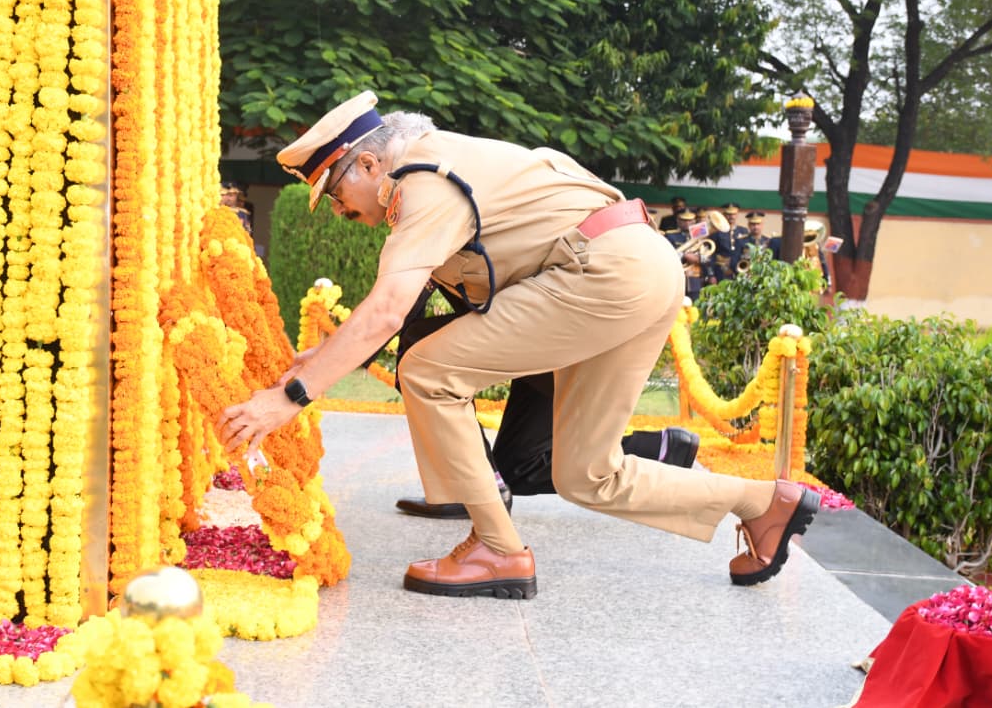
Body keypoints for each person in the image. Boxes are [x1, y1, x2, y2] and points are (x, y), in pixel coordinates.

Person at [217, 91, 818, 599]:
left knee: (427, 371)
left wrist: (287, 399)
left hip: (601, 275)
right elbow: (411, 301)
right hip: (638, 271)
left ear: (370, 165)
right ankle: (764, 503)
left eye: (338, 196)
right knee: (585, 474)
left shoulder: (422, 183)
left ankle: (498, 550)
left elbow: (385, 311)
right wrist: (324, 361)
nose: (343, 213)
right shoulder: (447, 162)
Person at [386, 284, 701, 519]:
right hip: (535, 325)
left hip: (553, 328)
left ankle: (473, 488)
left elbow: (396, 303)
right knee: (519, 467)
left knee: (418, 353)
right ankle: (661, 450)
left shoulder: (438, 206)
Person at [665, 209, 713, 301]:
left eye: (690, 220)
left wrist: (699, 259)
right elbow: (668, 256)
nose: (687, 223)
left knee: (695, 306)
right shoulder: (671, 235)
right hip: (678, 278)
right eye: (684, 220)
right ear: (678, 221)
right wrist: (684, 255)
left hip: (696, 279)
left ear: (695, 221)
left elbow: (709, 257)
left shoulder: (700, 234)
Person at [711, 203, 749, 282]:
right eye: (728, 214)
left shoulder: (743, 231)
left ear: (737, 214)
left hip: (738, 269)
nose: (731, 216)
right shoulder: (717, 232)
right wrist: (711, 274)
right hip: (721, 269)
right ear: (724, 215)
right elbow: (711, 254)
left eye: (734, 214)